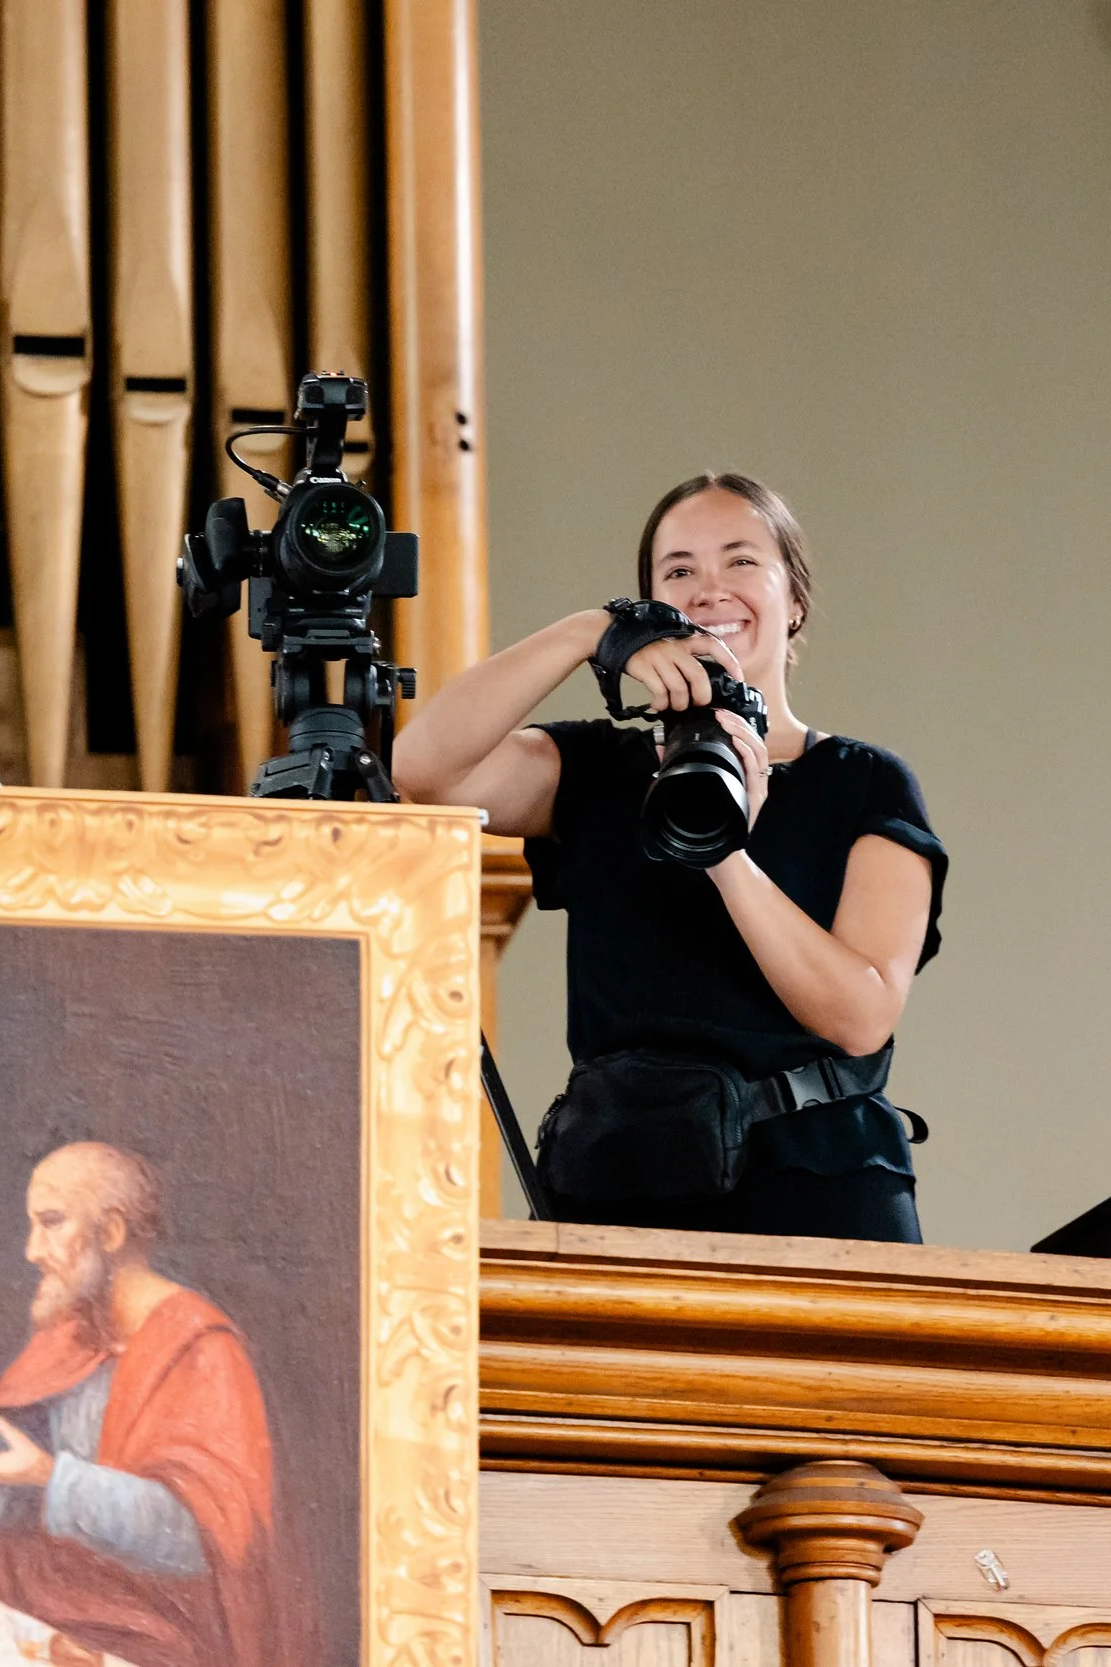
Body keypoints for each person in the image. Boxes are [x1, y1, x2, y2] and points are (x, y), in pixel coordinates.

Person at [393, 472, 947, 1242]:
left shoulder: (863, 782)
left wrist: (724, 851)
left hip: (820, 1192)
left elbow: (859, 1016)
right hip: (619, 1189)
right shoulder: (594, 766)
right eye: (678, 571)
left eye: (741, 561)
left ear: (794, 601)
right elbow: (424, 771)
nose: (709, 589)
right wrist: (589, 632)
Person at [0, 1142, 312, 1667]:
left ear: (113, 1232)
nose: (32, 1250)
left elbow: (202, 1539)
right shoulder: (69, 1338)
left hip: (149, 1639)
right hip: (46, 1615)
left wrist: (48, 1478)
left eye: (51, 1223)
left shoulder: (201, 1350)